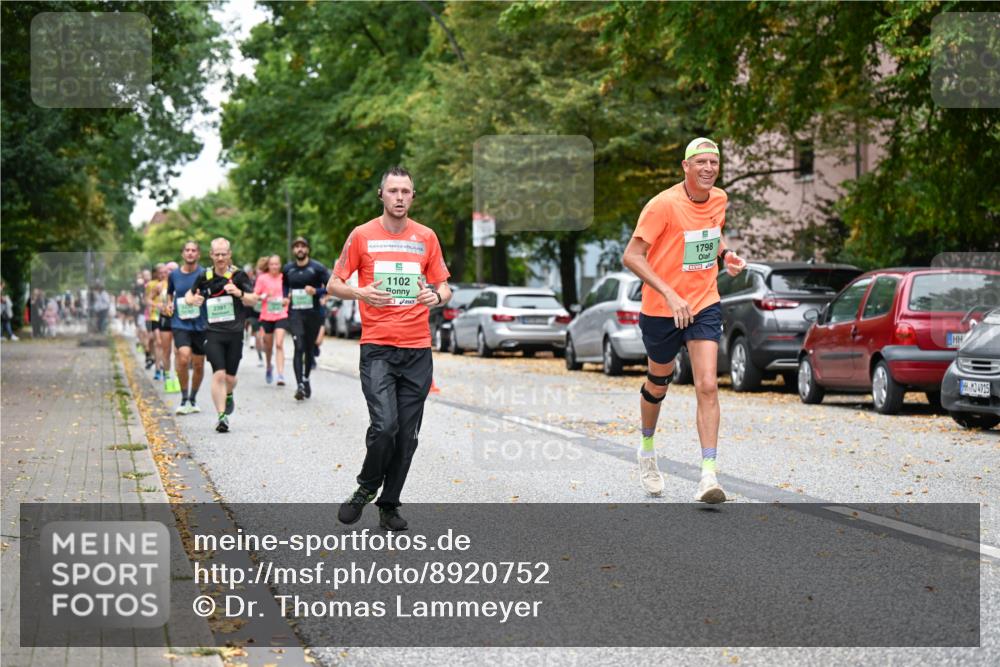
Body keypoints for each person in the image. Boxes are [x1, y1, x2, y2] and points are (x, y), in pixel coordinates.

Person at [622, 137, 747, 504]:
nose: (709, 168)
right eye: (701, 162)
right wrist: (670, 294)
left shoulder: (720, 199)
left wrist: (726, 254)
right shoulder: (662, 206)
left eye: (714, 162)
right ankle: (647, 449)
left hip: (703, 303)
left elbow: (711, 230)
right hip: (662, 309)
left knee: (707, 384)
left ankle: (708, 475)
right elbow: (632, 256)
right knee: (659, 380)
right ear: (686, 167)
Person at [330, 166, 451, 531]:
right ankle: (366, 487)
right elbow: (334, 285)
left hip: (417, 350)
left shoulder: (426, 237)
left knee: (407, 436)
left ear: (413, 197)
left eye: (406, 191)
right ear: (381, 194)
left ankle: (389, 504)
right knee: (385, 427)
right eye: (393, 190)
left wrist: (435, 296)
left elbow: (445, 288)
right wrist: (359, 291)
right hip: (378, 348)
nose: (399, 197)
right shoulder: (362, 235)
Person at [184, 238, 258, 432]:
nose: (220, 257)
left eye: (223, 254)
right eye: (216, 254)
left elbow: (253, 300)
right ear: (211, 255)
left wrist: (240, 294)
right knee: (219, 374)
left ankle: (229, 393)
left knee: (231, 379)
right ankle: (222, 417)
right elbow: (188, 296)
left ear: (229, 254)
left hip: (234, 333)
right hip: (213, 332)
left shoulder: (238, 275)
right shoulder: (204, 276)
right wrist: (194, 300)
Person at [283, 236, 331, 400]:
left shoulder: (318, 268)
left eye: (302, 246)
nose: (300, 249)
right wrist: (285, 296)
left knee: (309, 349)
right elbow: (284, 285)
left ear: (308, 249)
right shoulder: (288, 269)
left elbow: (330, 287)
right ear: (293, 250)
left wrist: (316, 292)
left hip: (313, 314)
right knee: (299, 346)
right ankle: (300, 386)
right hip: (295, 313)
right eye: (296, 246)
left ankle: (306, 378)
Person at [167, 241, 207, 415]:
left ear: (198, 254)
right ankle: (183, 398)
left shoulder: (205, 273)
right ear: (182, 254)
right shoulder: (174, 275)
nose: (190, 253)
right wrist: (169, 304)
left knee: (198, 364)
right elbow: (170, 293)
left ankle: (193, 398)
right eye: (187, 250)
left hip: (200, 324)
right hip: (180, 322)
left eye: (193, 250)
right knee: (183, 358)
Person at [254, 254, 290, 385]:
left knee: (279, 343)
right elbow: (255, 296)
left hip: (281, 314)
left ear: (280, 265)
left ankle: (280, 375)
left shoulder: (284, 278)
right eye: (272, 264)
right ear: (268, 266)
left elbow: (289, 293)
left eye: (276, 264)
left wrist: (287, 299)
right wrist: (265, 295)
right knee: (268, 346)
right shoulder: (262, 278)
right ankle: (269, 366)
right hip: (267, 315)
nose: (274, 266)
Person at [146, 265, 166, 379]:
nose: (163, 275)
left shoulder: (170, 283)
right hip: (155, 316)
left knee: (165, 344)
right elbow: (147, 299)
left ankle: (163, 365)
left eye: (165, 272)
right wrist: (156, 305)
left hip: (168, 316)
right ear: (156, 274)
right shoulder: (152, 285)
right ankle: (158, 369)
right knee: (158, 342)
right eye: (160, 273)